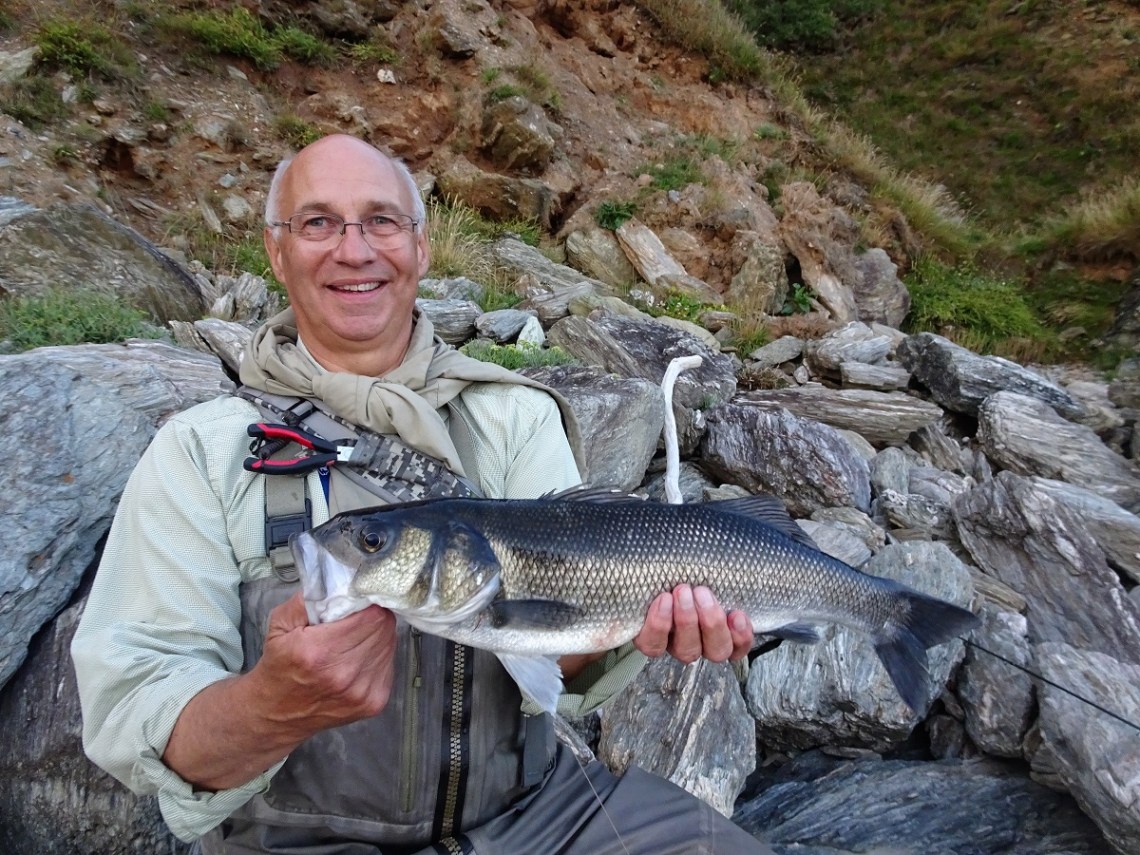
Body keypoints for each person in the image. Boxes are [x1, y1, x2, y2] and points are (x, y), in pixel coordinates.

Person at [71, 134, 772, 854]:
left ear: (422, 246)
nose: (354, 249)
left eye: (381, 220)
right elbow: (137, 712)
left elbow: (552, 665)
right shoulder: (200, 450)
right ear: (276, 253)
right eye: (317, 223)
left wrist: (643, 622)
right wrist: (271, 706)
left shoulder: (514, 415)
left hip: (537, 816)